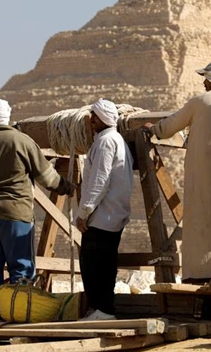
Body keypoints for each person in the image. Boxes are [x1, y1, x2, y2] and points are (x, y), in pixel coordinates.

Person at [0, 99, 75, 321]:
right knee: (20, 268)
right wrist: (67, 187)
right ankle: (18, 317)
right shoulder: (23, 141)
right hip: (16, 214)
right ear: (8, 116)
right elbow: (46, 177)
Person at [144, 61, 211, 282]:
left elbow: (167, 128)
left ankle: (200, 275)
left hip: (205, 179)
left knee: (203, 227)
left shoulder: (201, 101)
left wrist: (152, 129)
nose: (204, 83)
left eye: (206, 79)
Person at [76, 99, 134, 320]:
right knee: (103, 263)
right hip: (112, 214)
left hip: (102, 215)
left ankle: (102, 310)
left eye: (95, 117)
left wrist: (84, 212)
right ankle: (102, 309)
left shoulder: (106, 142)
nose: (91, 120)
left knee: (94, 265)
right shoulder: (113, 139)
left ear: (104, 120)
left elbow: (99, 181)